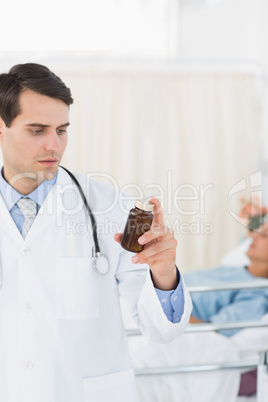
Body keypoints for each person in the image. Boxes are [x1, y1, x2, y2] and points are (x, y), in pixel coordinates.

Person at [0, 63, 192, 402]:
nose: (54, 145)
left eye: (62, 130)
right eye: (37, 130)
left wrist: (164, 275)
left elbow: (161, 330)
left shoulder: (111, 207)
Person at [183, 216, 268, 397]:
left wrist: (169, 312)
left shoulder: (256, 293)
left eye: (265, 235)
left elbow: (215, 333)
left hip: (162, 313)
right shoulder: (231, 270)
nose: (253, 237)